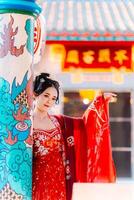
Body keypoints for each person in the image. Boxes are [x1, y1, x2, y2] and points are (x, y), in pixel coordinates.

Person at [32, 73, 116, 200]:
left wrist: (100, 101)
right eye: (46, 95)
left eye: (54, 98)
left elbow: (84, 124)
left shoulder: (59, 122)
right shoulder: (27, 124)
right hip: (38, 178)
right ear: (35, 94)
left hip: (60, 177)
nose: (49, 101)